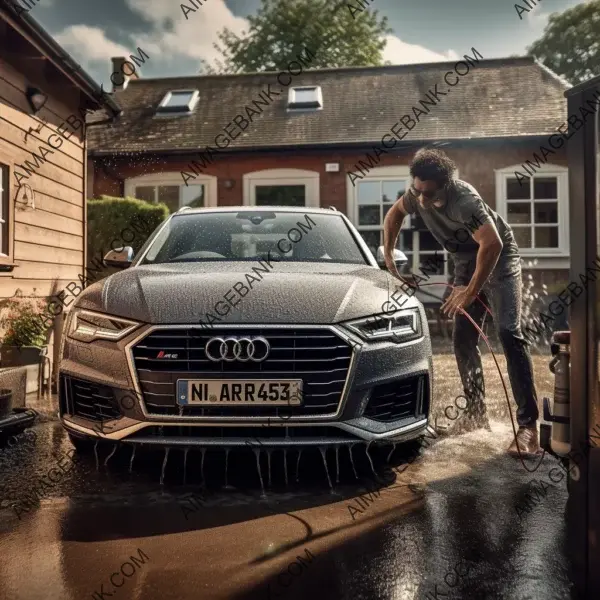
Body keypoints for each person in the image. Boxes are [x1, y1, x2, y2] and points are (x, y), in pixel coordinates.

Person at [383, 147, 542, 457]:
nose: (422, 199)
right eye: (417, 190)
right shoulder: (417, 193)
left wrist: (470, 290)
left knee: (509, 333)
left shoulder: (464, 201)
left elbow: (492, 244)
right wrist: (389, 256)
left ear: (446, 184)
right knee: (462, 340)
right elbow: (394, 215)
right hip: (465, 261)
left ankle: (528, 427)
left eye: (429, 193)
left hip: (500, 259)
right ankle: (475, 413)